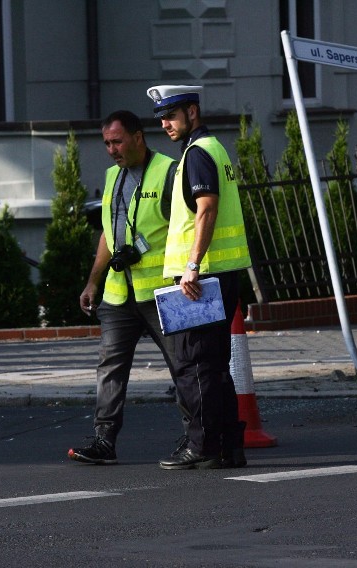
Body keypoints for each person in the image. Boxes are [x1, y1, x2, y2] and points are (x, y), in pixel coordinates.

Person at [68, 110, 187, 465]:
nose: (111, 150)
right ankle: (104, 441)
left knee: (182, 364)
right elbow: (109, 232)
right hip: (120, 293)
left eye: (117, 141)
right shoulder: (112, 176)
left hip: (163, 293)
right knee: (110, 366)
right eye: (106, 143)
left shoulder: (168, 171)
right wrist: (93, 282)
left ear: (138, 137)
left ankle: (196, 436)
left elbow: (185, 228)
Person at [147, 84, 251, 470]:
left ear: (192, 112)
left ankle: (203, 444)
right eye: (161, 117)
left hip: (201, 281)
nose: (165, 124)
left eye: (171, 115)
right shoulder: (215, 149)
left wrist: (191, 265)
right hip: (220, 277)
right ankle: (227, 447)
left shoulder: (196, 154)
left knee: (196, 365)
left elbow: (206, 210)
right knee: (214, 365)